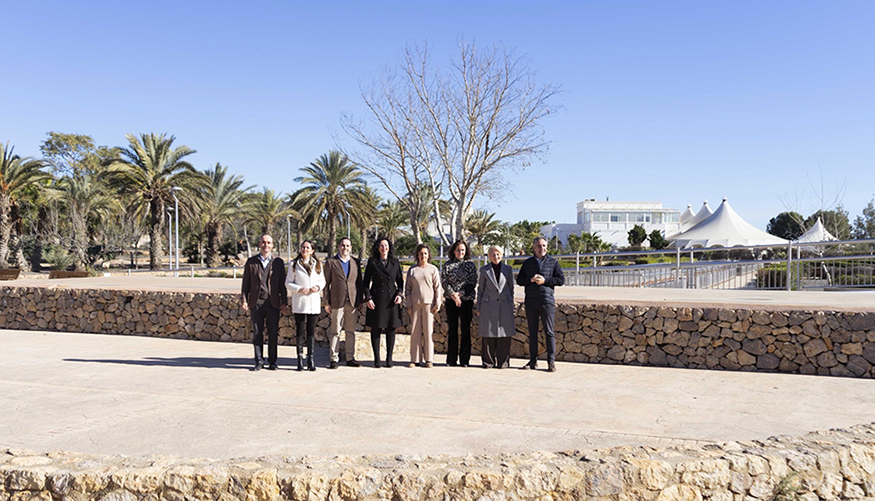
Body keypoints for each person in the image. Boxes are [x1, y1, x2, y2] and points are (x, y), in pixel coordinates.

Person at [516, 236, 565, 372]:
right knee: (532, 333)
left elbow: (560, 280)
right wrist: (530, 280)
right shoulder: (528, 263)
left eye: (544, 246)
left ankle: (551, 362)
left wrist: (545, 281)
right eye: (539, 246)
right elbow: (519, 280)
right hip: (531, 301)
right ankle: (533, 361)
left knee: (549, 332)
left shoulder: (553, 262)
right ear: (534, 248)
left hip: (546, 301)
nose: (541, 248)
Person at [241, 234, 287, 371]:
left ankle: (273, 362)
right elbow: (245, 284)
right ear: (259, 244)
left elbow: (282, 285)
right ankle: (259, 361)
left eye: (268, 243)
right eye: (263, 242)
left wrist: (284, 302)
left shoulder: (278, 262)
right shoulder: (251, 262)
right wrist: (244, 299)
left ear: (272, 245)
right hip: (256, 303)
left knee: (273, 333)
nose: (265, 245)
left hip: (273, 303)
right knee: (257, 333)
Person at [362, 238, 404, 368]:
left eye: (386, 245)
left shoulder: (395, 262)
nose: (384, 248)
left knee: (391, 329)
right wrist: (368, 298)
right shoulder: (372, 262)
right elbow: (365, 283)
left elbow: (400, 282)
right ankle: (377, 359)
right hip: (377, 299)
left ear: (389, 248)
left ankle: (389, 358)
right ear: (378, 248)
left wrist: (399, 294)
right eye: (381, 246)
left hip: (391, 299)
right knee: (376, 329)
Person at [323, 237, 364, 369]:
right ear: (339, 247)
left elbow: (359, 283)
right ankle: (334, 358)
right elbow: (326, 284)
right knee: (335, 331)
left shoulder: (355, 263)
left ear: (351, 248)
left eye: (347, 246)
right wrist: (326, 302)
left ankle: (350, 357)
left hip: (352, 302)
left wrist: (359, 300)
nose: (345, 248)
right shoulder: (331, 262)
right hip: (336, 301)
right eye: (343, 245)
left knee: (350, 331)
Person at [285, 240, 326, 372]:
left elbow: (323, 281)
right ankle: (300, 360)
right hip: (300, 303)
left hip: (313, 303)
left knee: (311, 332)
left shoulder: (318, 264)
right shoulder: (293, 265)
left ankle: (311, 359)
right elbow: (288, 283)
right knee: (300, 331)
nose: (305, 249)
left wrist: (317, 287)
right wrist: (299, 289)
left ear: (312, 250)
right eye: (303, 247)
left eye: (308, 247)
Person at [476, 246, 515, 369]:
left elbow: (511, 288)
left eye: (498, 254)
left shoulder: (508, 270)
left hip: (504, 305)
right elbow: (480, 289)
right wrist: (478, 306)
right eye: (493, 254)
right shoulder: (484, 270)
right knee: (488, 333)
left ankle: (503, 362)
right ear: (489, 256)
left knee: (504, 334)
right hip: (489, 304)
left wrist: (510, 302)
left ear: (502, 255)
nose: (495, 257)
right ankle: (488, 362)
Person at [440, 239, 477, 367]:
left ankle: (465, 360)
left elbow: (472, 282)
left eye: (462, 250)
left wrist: (460, 294)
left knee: (466, 329)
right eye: (458, 250)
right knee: (453, 329)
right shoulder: (447, 265)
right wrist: (453, 295)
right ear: (453, 251)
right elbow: (444, 282)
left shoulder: (470, 265)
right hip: (451, 300)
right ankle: (451, 359)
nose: (460, 252)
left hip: (466, 301)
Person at [405, 244, 442, 368]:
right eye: (421, 253)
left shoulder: (433, 269)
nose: (423, 256)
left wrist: (437, 303)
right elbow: (408, 289)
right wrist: (408, 304)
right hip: (415, 304)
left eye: (425, 253)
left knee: (428, 331)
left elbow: (437, 288)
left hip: (429, 304)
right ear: (417, 255)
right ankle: (414, 359)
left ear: (428, 255)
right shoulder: (412, 270)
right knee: (415, 332)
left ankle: (429, 359)